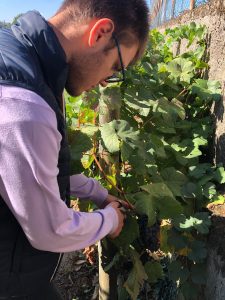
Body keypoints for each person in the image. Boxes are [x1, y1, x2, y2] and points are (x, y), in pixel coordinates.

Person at [0, 0, 149, 298]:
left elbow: (23, 172)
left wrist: (93, 190)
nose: (108, 81)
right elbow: (49, 230)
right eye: (116, 67)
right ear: (100, 33)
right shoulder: (23, 105)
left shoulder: (21, 56)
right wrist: (109, 220)